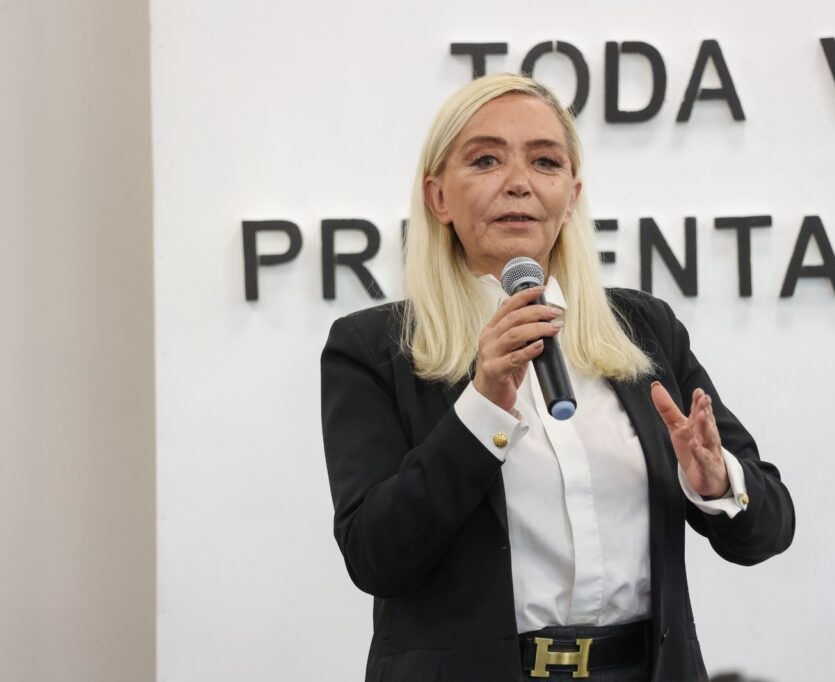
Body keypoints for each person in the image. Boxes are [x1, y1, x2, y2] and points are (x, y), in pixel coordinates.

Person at [321, 73, 795, 682]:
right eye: (486, 159)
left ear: (571, 196)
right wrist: (482, 410)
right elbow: (376, 557)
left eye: (545, 161)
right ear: (438, 198)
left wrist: (716, 480)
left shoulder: (642, 329)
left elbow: (769, 529)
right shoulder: (375, 348)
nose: (518, 181)